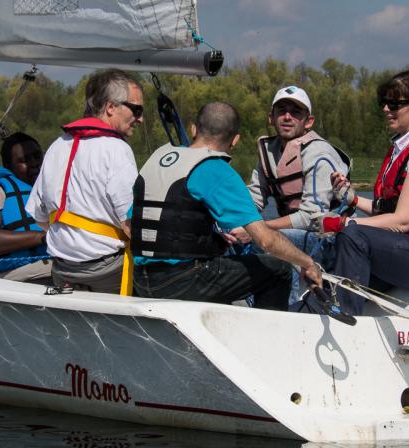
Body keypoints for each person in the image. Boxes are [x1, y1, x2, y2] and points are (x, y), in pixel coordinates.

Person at [130, 102, 323, 309]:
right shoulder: (216, 168)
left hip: (141, 279)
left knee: (219, 261)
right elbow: (266, 241)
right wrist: (307, 263)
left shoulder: (157, 159)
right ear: (235, 140)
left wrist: (208, 241)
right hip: (181, 282)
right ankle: (266, 329)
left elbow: (133, 223)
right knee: (278, 270)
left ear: (193, 129)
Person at [316, 70, 409, 314]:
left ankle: (344, 318)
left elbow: (403, 221)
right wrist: (351, 198)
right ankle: (306, 314)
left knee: (353, 237)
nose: (386, 109)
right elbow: (387, 211)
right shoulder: (402, 146)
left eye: (394, 104)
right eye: (383, 103)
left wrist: (342, 223)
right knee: (325, 274)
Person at [27, 69, 144, 293]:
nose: (140, 119)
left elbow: (40, 216)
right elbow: (131, 224)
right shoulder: (116, 149)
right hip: (109, 272)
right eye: (136, 110)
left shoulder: (57, 145)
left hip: (63, 270)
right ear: (111, 107)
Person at [248, 85, 352, 306]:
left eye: (296, 112)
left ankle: (290, 307)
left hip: (327, 239)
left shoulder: (319, 153)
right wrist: (235, 225)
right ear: (271, 117)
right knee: (232, 239)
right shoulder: (268, 153)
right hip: (293, 231)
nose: (287, 117)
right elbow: (254, 198)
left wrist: (259, 228)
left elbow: (312, 217)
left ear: (308, 121)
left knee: (269, 241)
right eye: (281, 111)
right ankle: (244, 304)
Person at [0, 132, 49, 281]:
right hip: (25, 278)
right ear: (9, 166)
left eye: (37, 156)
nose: (34, 163)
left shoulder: (54, 190)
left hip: (65, 270)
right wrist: (41, 237)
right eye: (24, 160)